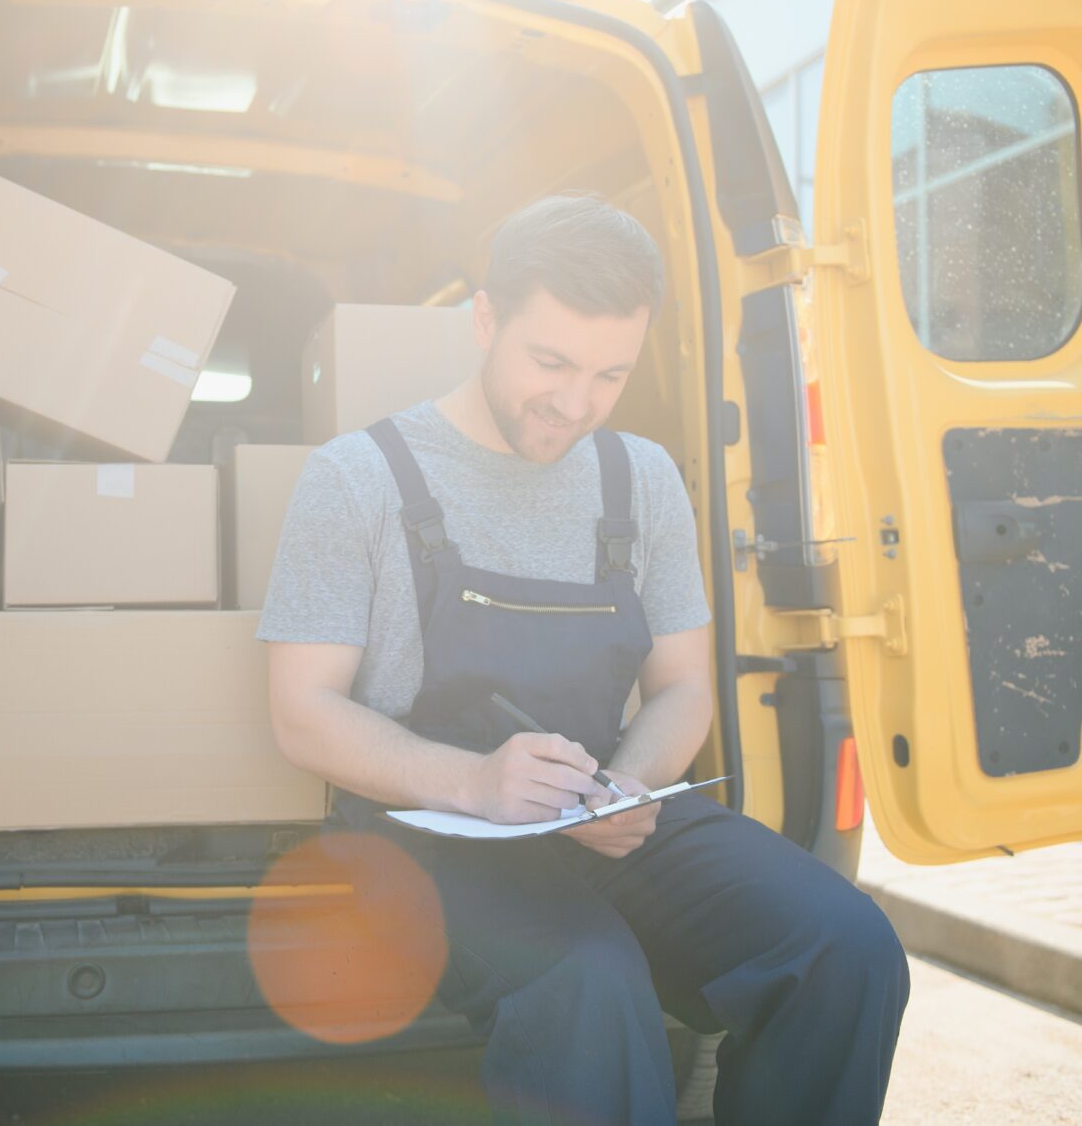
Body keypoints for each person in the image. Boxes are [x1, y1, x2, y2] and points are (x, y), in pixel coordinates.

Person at [257, 194, 910, 1125]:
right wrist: (478, 782)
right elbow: (301, 711)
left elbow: (683, 685)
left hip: (601, 811)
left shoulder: (640, 479)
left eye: (610, 373)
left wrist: (629, 787)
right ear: (487, 320)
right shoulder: (356, 478)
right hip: (428, 838)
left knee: (848, 946)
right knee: (589, 983)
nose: (574, 402)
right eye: (550, 362)